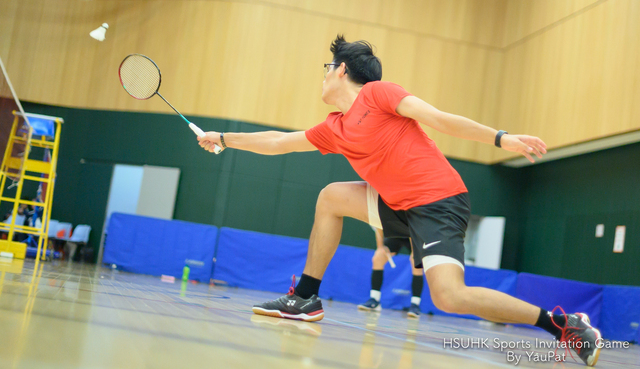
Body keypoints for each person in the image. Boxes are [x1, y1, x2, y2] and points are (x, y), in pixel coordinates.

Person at [198, 35, 601, 366]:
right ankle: (305, 297)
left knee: (449, 297)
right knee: (331, 197)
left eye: (327, 68)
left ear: (342, 69)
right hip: (396, 203)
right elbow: (279, 141)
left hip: (438, 201)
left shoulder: (378, 93)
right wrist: (224, 138)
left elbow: (439, 119)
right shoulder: (335, 127)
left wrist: (501, 138)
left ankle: (563, 325)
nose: (323, 77)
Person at [358, 227, 424, 318]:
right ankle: (374, 300)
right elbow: (378, 226)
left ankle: (415, 304)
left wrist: (415, 253)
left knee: (416, 262)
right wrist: (380, 247)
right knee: (378, 257)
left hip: (414, 234)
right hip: (396, 234)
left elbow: (412, 227)